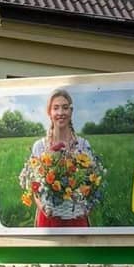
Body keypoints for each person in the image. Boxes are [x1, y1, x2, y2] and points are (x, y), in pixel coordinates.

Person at [18, 88, 105, 228]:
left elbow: (93, 184)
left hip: (76, 217)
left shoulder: (83, 145)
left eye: (65, 108)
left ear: (71, 111)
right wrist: (44, 208)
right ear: (49, 113)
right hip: (49, 219)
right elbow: (35, 188)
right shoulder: (40, 147)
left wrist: (88, 208)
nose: (60, 113)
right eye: (56, 108)